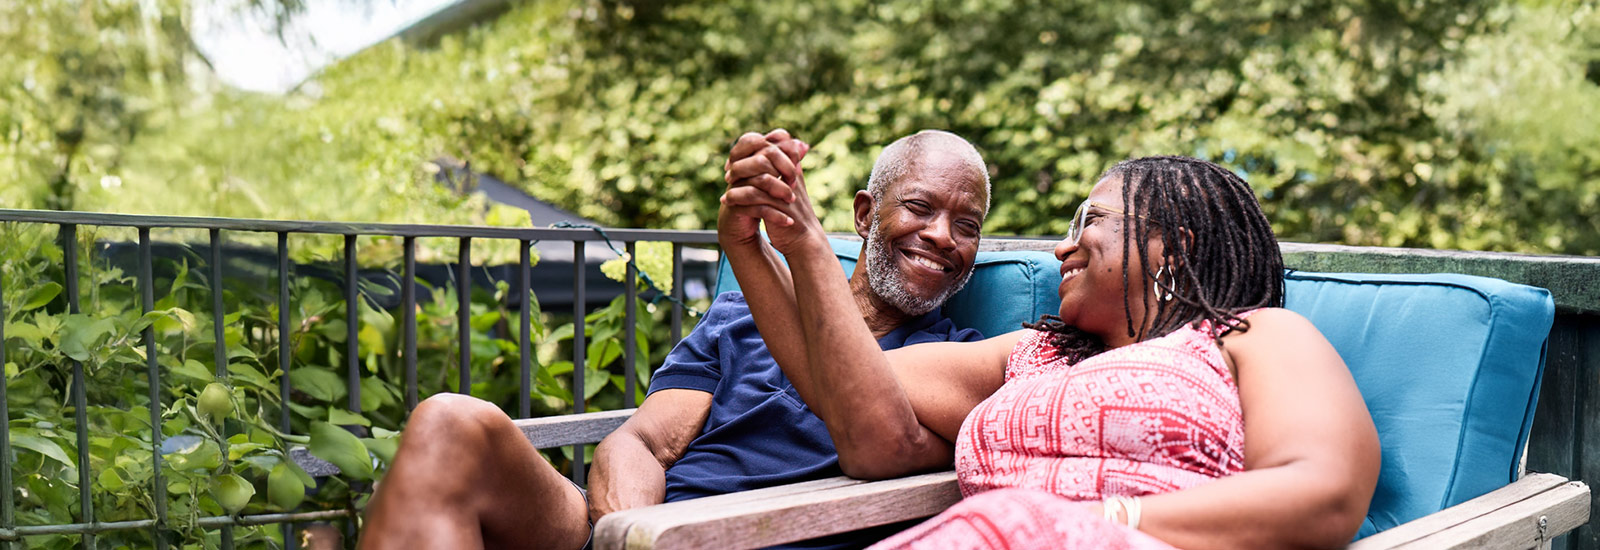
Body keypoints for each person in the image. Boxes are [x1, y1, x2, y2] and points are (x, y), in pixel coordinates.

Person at [720, 141, 1383, 549]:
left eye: (1089, 222)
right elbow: (855, 406)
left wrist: (1091, 522)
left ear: (1173, 246)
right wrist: (775, 244)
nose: (1062, 246)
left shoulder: (1251, 334)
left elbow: (1323, 492)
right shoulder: (1030, 356)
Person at [359, 129, 994, 550]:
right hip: (643, 533)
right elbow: (643, 441)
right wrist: (634, 527)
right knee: (449, 422)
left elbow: (895, 455)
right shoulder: (740, 318)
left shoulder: (956, 363)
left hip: (752, 538)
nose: (942, 235)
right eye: (919, 207)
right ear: (863, 215)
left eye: (966, 224)